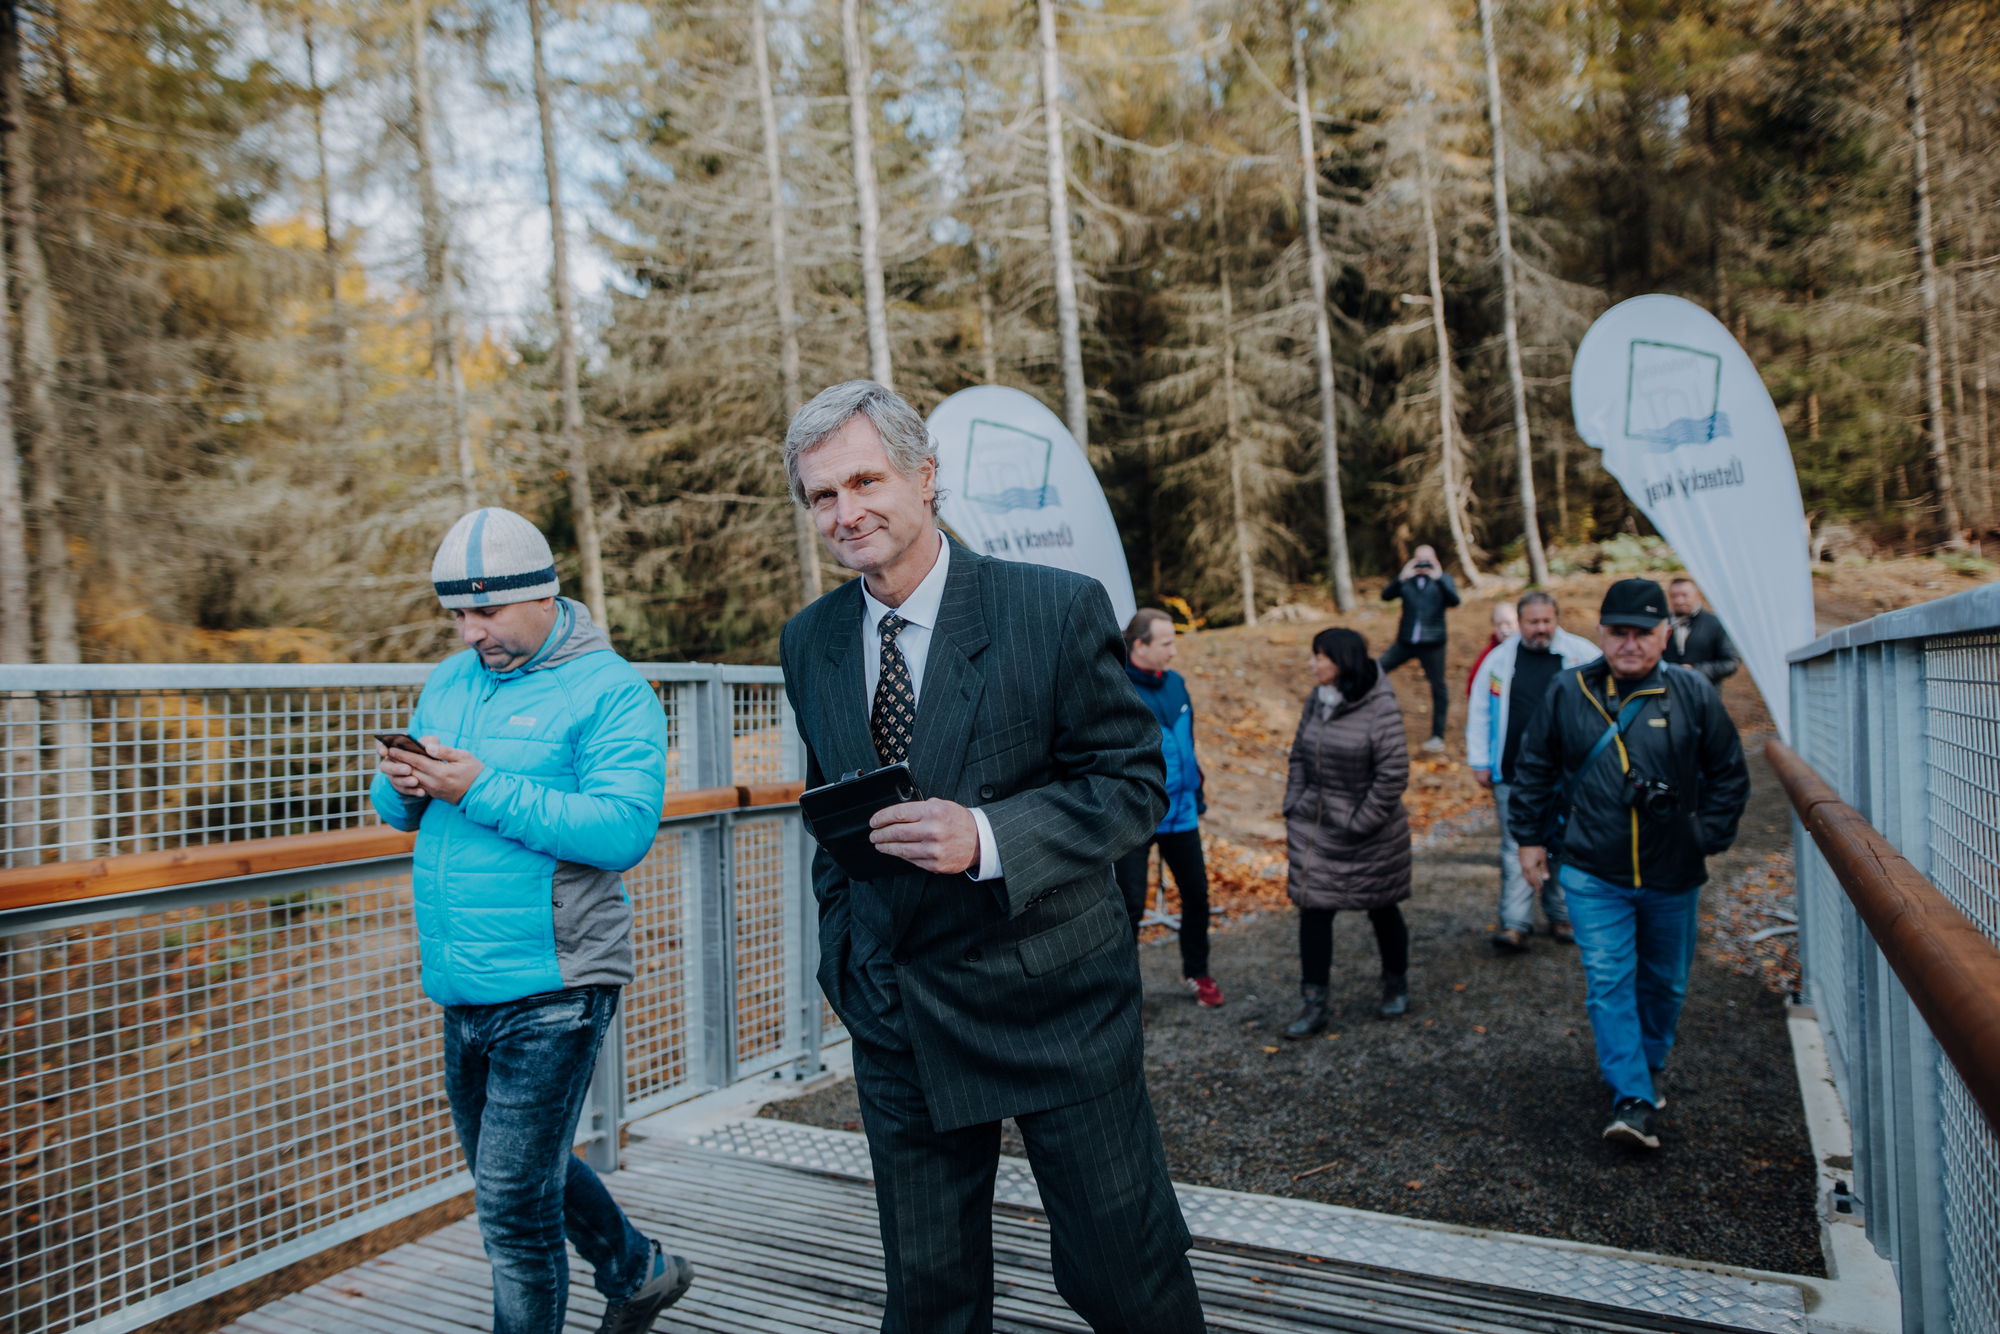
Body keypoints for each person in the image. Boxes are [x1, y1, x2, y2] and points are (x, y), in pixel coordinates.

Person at [776, 381, 1204, 1334]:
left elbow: (1132, 784)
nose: (846, 513)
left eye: (864, 481)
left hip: (1055, 1002)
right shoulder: (808, 641)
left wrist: (990, 837)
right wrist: (844, 957)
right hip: (899, 1014)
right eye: (821, 496)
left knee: (1124, 1279)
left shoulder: (1050, 608)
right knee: (930, 1299)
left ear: (926, 479)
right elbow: (828, 814)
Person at [370, 508, 691, 1334]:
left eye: (487, 612)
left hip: (556, 984)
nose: (471, 632)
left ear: (543, 594)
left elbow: (622, 831)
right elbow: (403, 817)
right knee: (515, 1175)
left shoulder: (612, 690)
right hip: (461, 981)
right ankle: (639, 1270)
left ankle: (627, 1275)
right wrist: (402, 786)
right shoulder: (451, 679)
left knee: (512, 1214)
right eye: (457, 615)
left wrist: (475, 785)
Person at [1506, 578, 1751, 1151]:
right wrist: (1528, 839)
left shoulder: (1693, 694)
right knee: (1608, 981)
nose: (1631, 644)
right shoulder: (1570, 693)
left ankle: (1648, 1063)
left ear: (1665, 634)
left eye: (1644, 632)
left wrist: (1703, 837)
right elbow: (1535, 766)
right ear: (1600, 634)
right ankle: (1632, 1099)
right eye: (1619, 632)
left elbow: (1729, 774)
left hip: (1673, 873)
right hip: (1594, 871)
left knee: (1664, 983)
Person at [1280, 626, 1413, 1037]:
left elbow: (1393, 775)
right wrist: (1294, 801)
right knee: (1313, 910)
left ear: (1343, 661)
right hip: (1316, 827)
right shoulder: (1316, 701)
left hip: (1369, 832)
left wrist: (1360, 822)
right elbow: (1300, 754)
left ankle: (1395, 982)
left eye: (1320, 656)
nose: (1312, 663)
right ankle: (1313, 1003)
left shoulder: (1380, 706)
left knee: (1382, 907)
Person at [1465, 591, 1600, 952]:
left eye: (1547, 621)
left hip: (1568, 777)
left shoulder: (1582, 655)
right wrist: (1479, 760)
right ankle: (1514, 923)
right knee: (1515, 846)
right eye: (1533, 622)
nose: (1540, 629)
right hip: (1513, 774)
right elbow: (1479, 711)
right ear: (1520, 622)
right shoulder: (1498, 660)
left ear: (1556, 619)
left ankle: (1561, 915)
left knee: (1564, 844)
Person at [1114, 608, 1224, 1008]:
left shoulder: (1176, 683)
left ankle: (1198, 971)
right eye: (1166, 643)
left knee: (1197, 895)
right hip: (1136, 817)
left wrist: (1197, 792)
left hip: (1182, 813)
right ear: (1139, 646)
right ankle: (1123, 996)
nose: (1174, 652)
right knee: (1129, 907)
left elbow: (1187, 745)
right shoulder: (1116, 686)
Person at [1378, 544, 1461, 752]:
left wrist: (1439, 577)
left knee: (1438, 687)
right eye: (1419, 559)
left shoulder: (1443, 581)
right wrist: (1401, 577)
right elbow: (1385, 596)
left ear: (1435, 560)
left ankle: (1437, 736)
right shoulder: (1407, 581)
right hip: (1405, 642)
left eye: (1427, 559)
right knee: (1376, 669)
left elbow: (1455, 601)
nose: (1423, 564)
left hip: (1433, 643)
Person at [1663, 576, 1741, 685]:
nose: (1679, 601)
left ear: (1697, 595)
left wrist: (1697, 670)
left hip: (1705, 694)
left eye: (1685, 595)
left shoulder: (1716, 623)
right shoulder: (1662, 624)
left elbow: (1731, 662)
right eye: (1674, 596)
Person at [1466, 601, 1518, 698]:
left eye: (1508, 623)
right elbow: (1473, 686)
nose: (1503, 629)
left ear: (1519, 623)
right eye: (1498, 625)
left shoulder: (1531, 650)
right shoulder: (1488, 655)